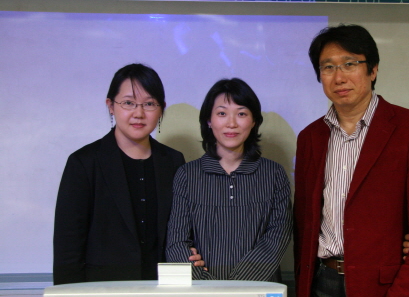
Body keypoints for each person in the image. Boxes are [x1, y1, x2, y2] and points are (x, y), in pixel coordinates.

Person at [294, 24, 409, 297]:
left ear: (373, 69)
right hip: (324, 291)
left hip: (387, 294)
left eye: (350, 64)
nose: (339, 77)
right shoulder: (310, 137)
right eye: (328, 67)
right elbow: (305, 225)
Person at [53, 63, 202, 285]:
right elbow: (68, 247)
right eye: (128, 103)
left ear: (161, 108)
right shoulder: (84, 162)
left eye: (149, 104)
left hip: (163, 289)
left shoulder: (173, 161)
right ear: (110, 106)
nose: (138, 113)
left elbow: (182, 229)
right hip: (102, 291)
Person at [165, 78, 292, 281]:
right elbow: (176, 242)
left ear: (254, 121)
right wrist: (208, 287)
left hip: (259, 290)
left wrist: (237, 287)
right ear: (209, 120)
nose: (231, 123)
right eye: (222, 113)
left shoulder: (273, 174)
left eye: (241, 114)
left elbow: (277, 237)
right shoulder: (187, 175)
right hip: (202, 292)